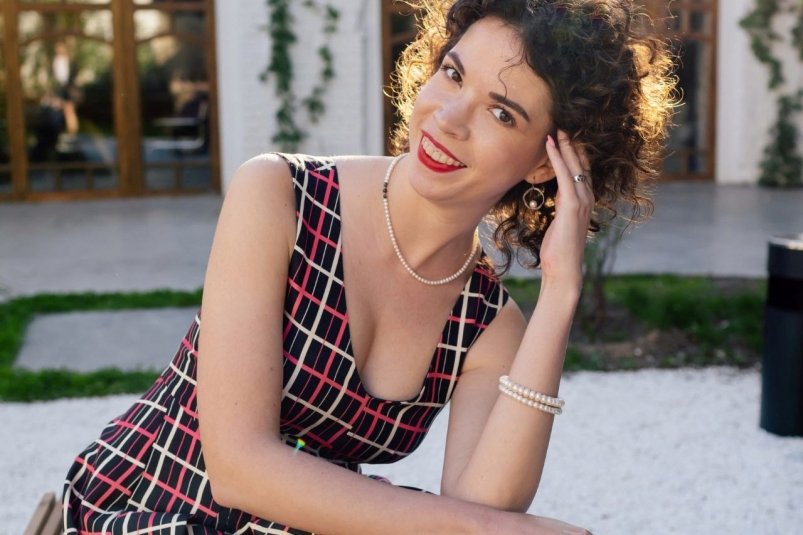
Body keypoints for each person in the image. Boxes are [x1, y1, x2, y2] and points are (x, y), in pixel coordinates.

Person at [63, 0, 675, 533]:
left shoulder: (486, 325)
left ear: (546, 164)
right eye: (453, 74)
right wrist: (484, 528)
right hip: (149, 508)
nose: (448, 118)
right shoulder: (280, 195)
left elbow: (484, 505)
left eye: (501, 113)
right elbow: (238, 468)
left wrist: (561, 291)